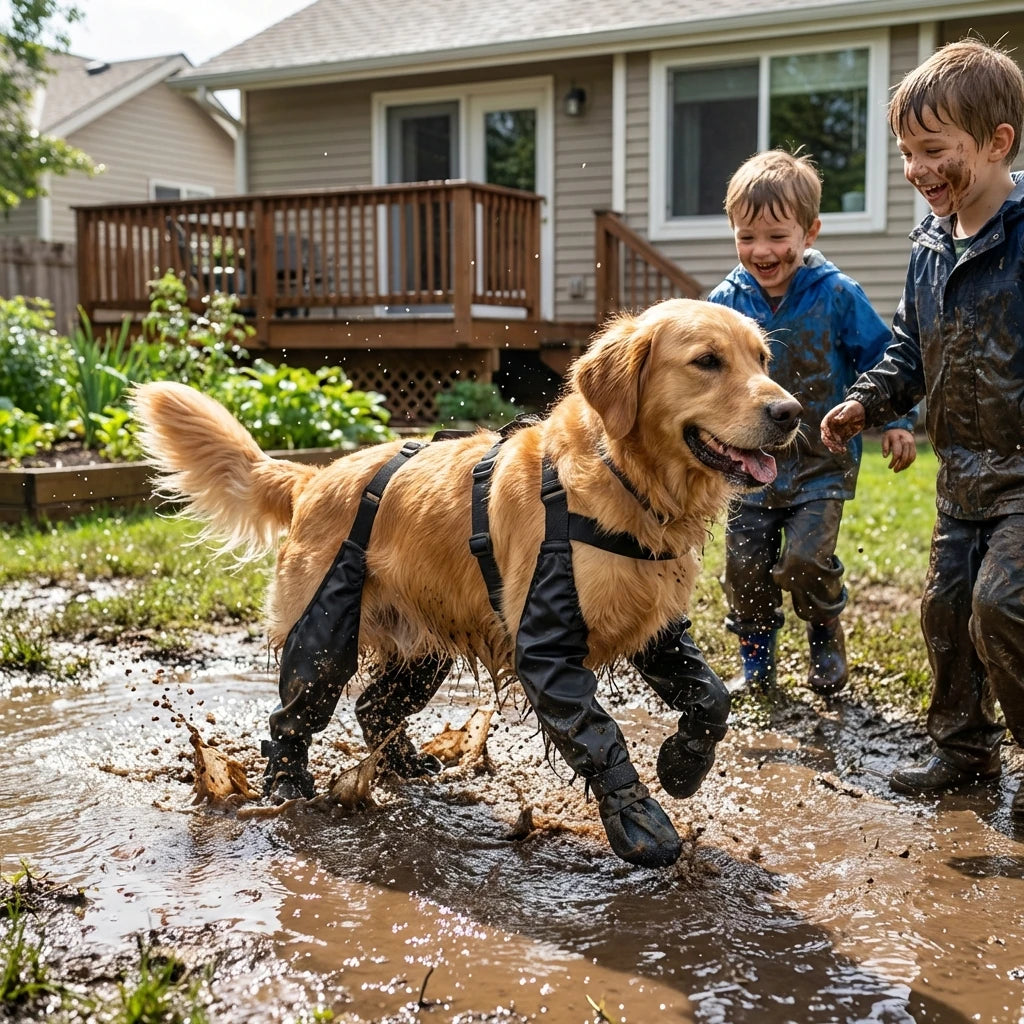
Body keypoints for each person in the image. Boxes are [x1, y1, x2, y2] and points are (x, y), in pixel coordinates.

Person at [821, 37, 1024, 822]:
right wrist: (865, 404)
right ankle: (964, 749)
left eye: (934, 150)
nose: (916, 168)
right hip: (962, 476)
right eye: (907, 152)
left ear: (997, 142)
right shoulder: (929, 247)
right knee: (945, 612)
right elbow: (908, 349)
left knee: (1003, 607)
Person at [708, 149, 917, 697]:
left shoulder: (837, 294)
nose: (762, 251)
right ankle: (756, 662)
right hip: (749, 461)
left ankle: (824, 632)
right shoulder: (725, 303)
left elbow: (882, 358)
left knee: (806, 560)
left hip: (822, 462)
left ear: (810, 232)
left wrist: (896, 418)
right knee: (745, 568)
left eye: (777, 236)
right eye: (747, 237)